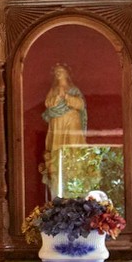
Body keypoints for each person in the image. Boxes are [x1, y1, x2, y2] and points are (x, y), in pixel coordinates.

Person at [40, 63, 88, 195]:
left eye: (61, 71)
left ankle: (74, 174)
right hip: (58, 123)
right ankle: (57, 177)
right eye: (56, 72)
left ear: (67, 73)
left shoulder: (73, 89)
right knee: (56, 151)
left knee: (73, 149)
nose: (58, 73)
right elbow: (48, 103)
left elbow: (81, 104)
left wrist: (67, 97)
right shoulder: (53, 90)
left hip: (72, 122)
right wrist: (57, 98)